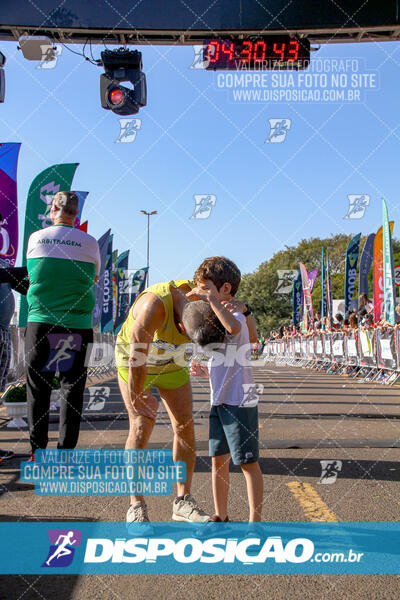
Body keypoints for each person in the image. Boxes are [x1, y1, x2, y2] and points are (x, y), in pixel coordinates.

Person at [115, 278, 230, 526]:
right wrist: (136, 394)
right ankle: (136, 505)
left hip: (172, 361)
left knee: (185, 425)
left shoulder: (205, 298)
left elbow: (235, 306)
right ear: (180, 325)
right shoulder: (153, 307)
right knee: (141, 424)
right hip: (134, 358)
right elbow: (137, 354)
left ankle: (183, 501)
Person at [25, 191, 100, 454]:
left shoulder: (36, 238)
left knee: (39, 388)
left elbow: (33, 273)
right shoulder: (90, 243)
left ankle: (38, 452)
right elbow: (94, 279)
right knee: (71, 388)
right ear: (76, 213)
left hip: (41, 323)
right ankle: (66, 453)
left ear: (53, 209)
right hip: (76, 325)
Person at [190, 257, 263, 523]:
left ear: (226, 289)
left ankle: (255, 521)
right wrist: (207, 371)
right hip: (219, 400)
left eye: (207, 287)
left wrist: (212, 300)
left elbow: (235, 329)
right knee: (217, 460)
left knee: (247, 463)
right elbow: (226, 357)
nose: (202, 293)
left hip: (239, 400)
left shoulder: (234, 315)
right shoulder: (219, 315)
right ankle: (220, 513)